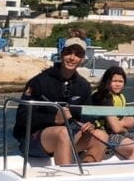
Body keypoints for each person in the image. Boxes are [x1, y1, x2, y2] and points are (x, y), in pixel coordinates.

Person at [11, 37, 107, 165]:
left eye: (78, 54)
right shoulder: (39, 81)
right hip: (33, 140)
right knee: (63, 133)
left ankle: (87, 174)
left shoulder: (83, 86)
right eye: (68, 52)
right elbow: (22, 117)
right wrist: (53, 119)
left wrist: (90, 124)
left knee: (101, 136)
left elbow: (87, 115)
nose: (72, 58)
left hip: (68, 136)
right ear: (62, 54)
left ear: (82, 59)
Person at [91, 66, 134, 160]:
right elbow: (116, 129)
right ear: (107, 82)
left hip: (118, 134)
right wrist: (123, 127)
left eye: (121, 81)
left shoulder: (120, 97)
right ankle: (129, 173)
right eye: (114, 81)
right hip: (106, 135)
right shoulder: (104, 98)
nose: (118, 84)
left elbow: (133, 121)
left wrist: (119, 124)